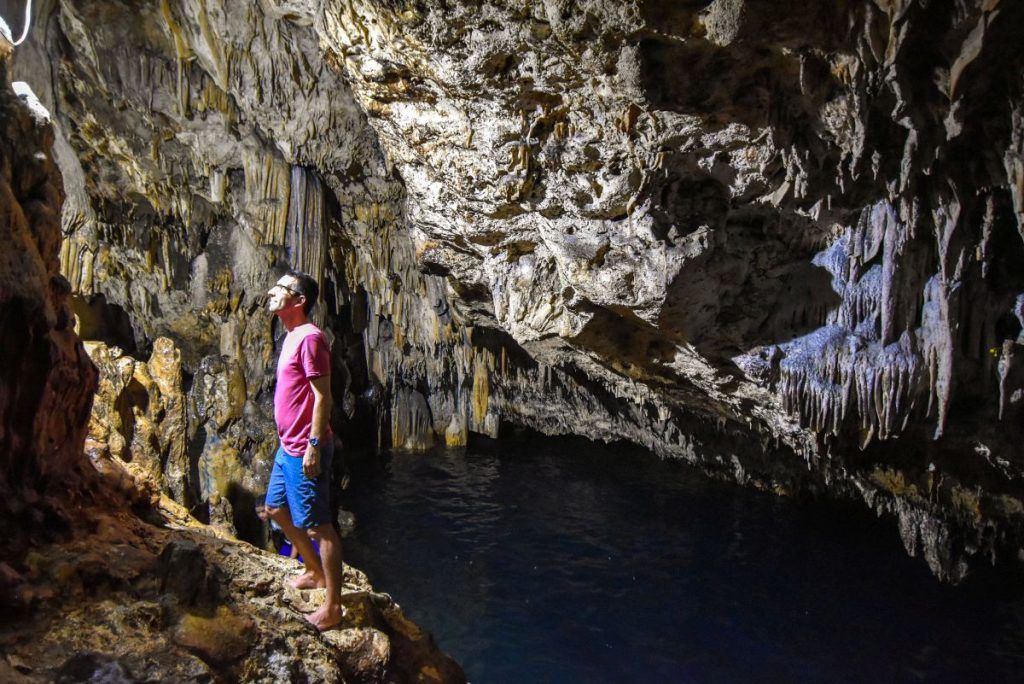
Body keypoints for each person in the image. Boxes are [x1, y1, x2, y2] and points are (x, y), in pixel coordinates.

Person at [263, 269, 344, 631]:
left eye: (283, 289)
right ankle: (313, 570)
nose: (274, 292)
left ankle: (333, 606)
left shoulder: (311, 339)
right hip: (287, 446)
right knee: (275, 507)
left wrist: (313, 445)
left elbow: (322, 396)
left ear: (299, 301)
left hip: (303, 448)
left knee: (319, 527)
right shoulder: (291, 335)